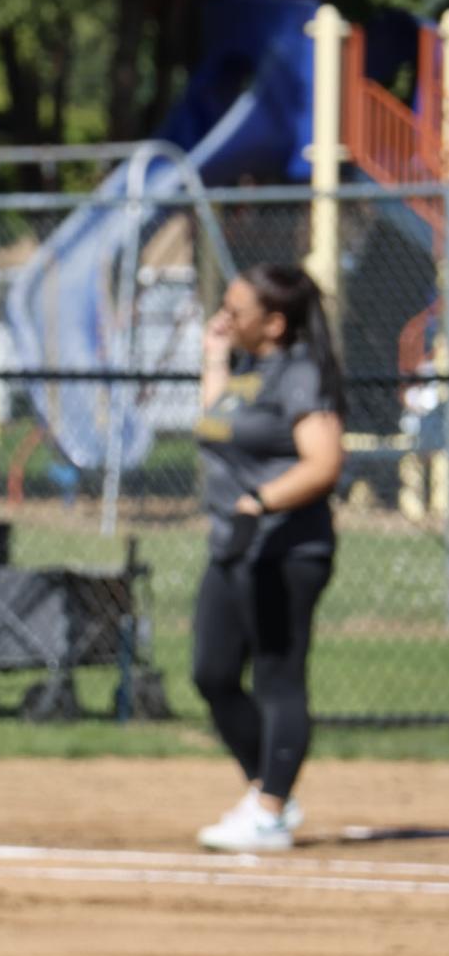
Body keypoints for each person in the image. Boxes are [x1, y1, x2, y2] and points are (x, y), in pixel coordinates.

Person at [191, 263, 345, 853]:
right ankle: (269, 787)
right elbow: (218, 423)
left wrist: (261, 501)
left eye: (236, 310)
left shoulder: (302, 374)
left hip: (287, 549)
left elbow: (323, 463)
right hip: (234, 548)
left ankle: (271, 805)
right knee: (212, 673)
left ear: (275, 323)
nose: (224, 317)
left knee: (279, 677)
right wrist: (215, 356)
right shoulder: (252, 371)